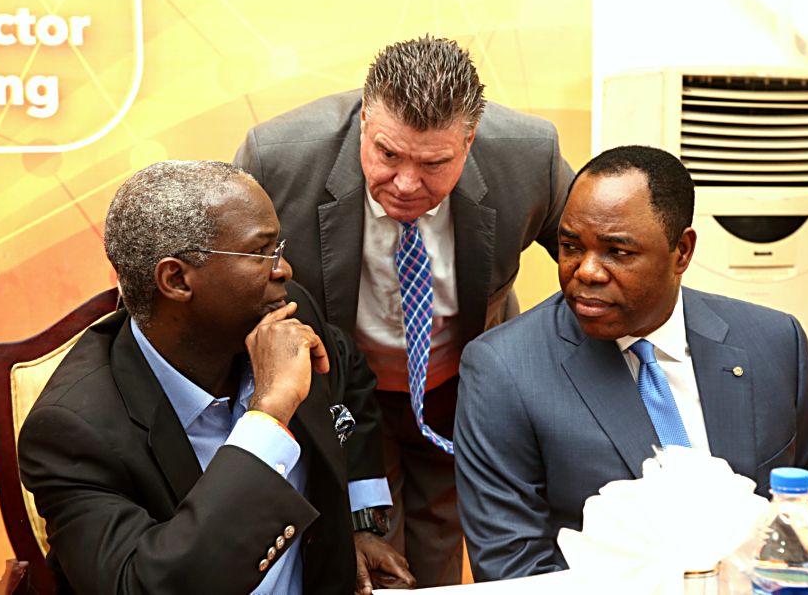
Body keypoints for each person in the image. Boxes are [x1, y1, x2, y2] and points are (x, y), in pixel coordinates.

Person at [234, 35, 574, 586]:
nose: (408, 183)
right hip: (344, 395)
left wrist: (547, 360)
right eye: (388, 154)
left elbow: (596, 262)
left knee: (441, 559)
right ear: (365, 120)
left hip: (458, 388)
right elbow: (225, 275)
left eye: (435, 163)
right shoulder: (277, 156)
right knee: (369, 562)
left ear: (470, 140)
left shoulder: (528, 155)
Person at [17, 161, 415, 594]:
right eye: (261, 252)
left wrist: (358, 523)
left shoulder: (282, 310)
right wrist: (269, 415)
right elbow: (143, 588)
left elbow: (348, 375)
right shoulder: (73, 432)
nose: (283, 270)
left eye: (277, 248)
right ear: (176, 280)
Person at [454, 145, 808, 581]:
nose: (586, 272)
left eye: (617, 252)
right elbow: (515, 571)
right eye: (570, 247)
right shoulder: (504, 369)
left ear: (682, 251)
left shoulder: (773, 344)